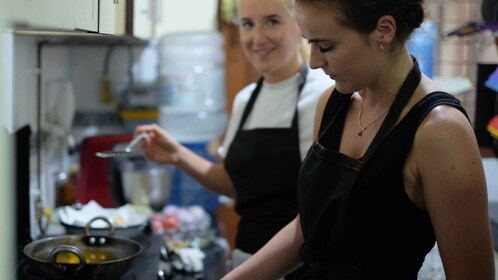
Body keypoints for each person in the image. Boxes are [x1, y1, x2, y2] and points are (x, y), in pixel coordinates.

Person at [221, 0, 496, 279]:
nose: (314, 61)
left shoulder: (439, 130)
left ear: (384, 31)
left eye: (326, 46)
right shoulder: (332, 104)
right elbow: (306, 230)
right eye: (310, 43)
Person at [134, 0, 332, 275]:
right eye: (247, 24)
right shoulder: (245, 99)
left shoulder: (322, 94)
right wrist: (176, 154)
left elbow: (320, 211)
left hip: (298, 267)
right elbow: (237, 185)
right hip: (245, 258)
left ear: (301, 24)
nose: (257, 38)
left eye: (272, 21)